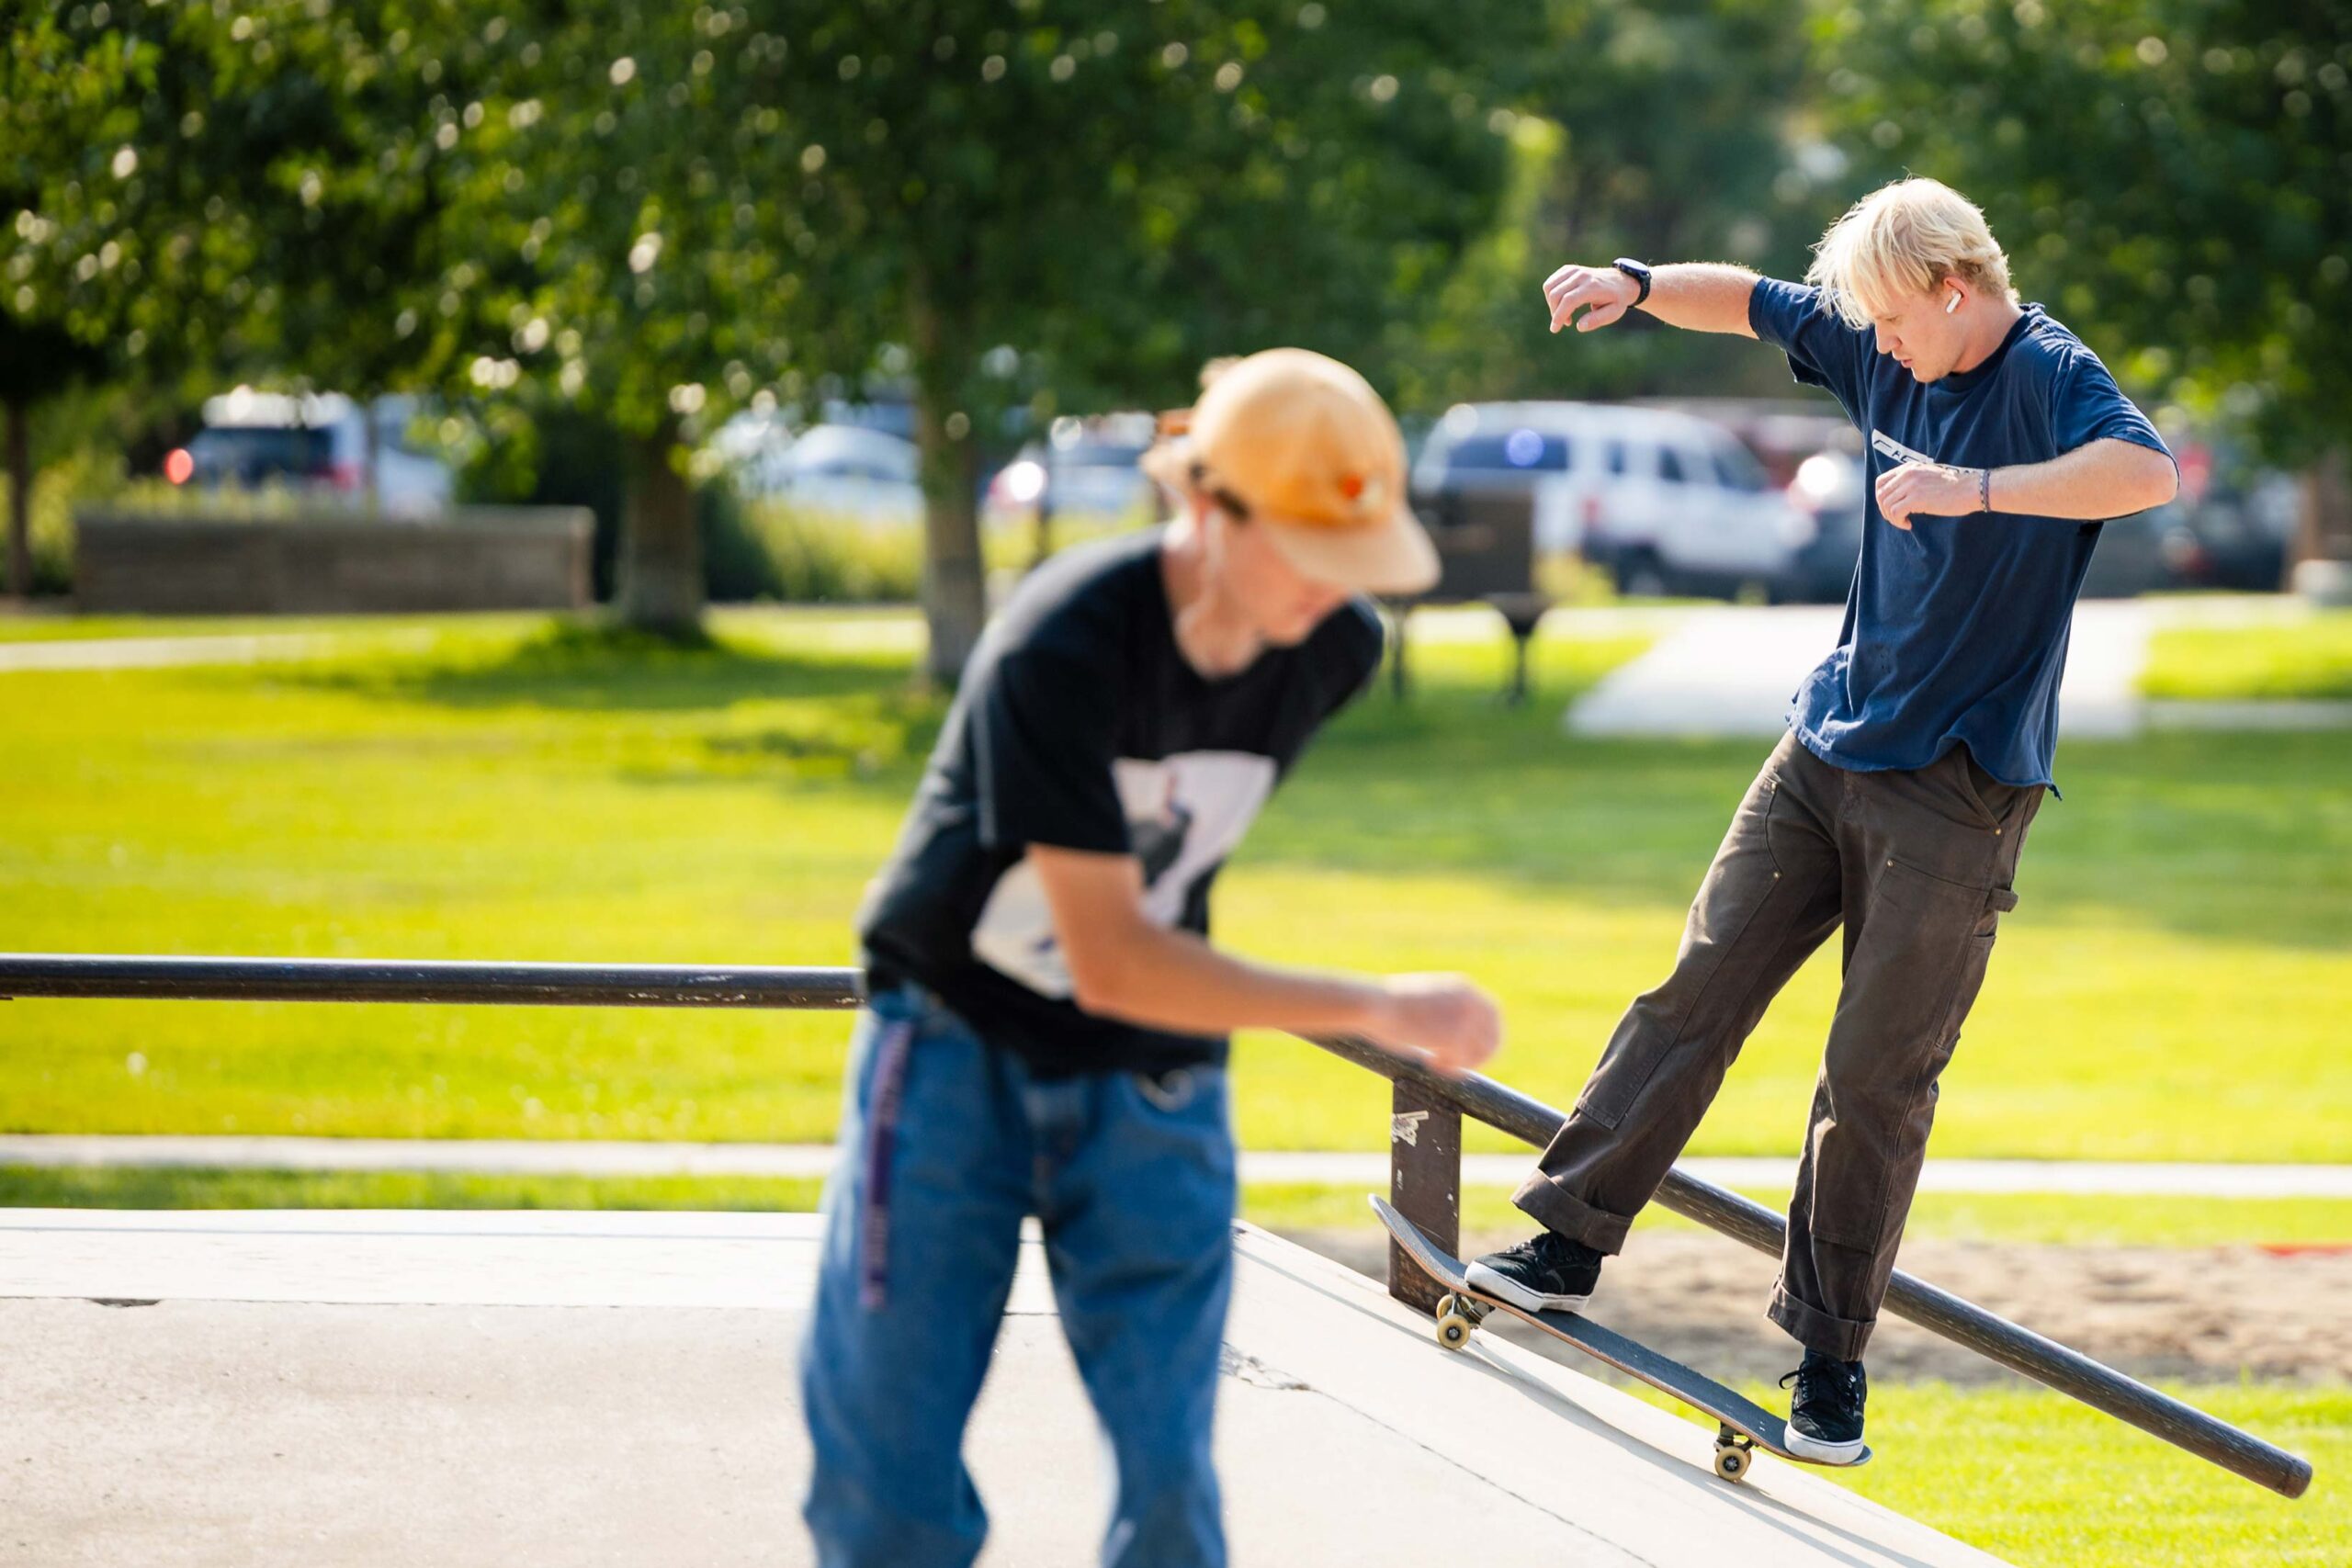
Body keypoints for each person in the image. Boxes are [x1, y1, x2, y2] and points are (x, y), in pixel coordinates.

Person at [1467, 177, 2177, 1462]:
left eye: (1899, 329)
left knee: (1872, 1081)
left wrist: (1977, 491)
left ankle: (1827, 1362)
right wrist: (1630, 283)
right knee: (1695, 991)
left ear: (1958, 292)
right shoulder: (1872, 325)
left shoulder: (2049, 372)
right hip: (1825, 746)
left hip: (1958, 793)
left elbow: (2147, 469)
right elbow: (1744, 300)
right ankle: (1566, 1240)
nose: (1882, 351)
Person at [801, 347, 1504, 1567]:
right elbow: (1116, 955)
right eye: (1305, 550)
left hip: (1147, 1076)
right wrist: (1377, 1004)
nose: (1332, 591)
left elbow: (1164, 877)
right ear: (1203, 502)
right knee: (887, 1477)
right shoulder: (1061, 647)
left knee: (1171, 1483)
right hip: (955, 1044)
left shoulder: (1333, 651)